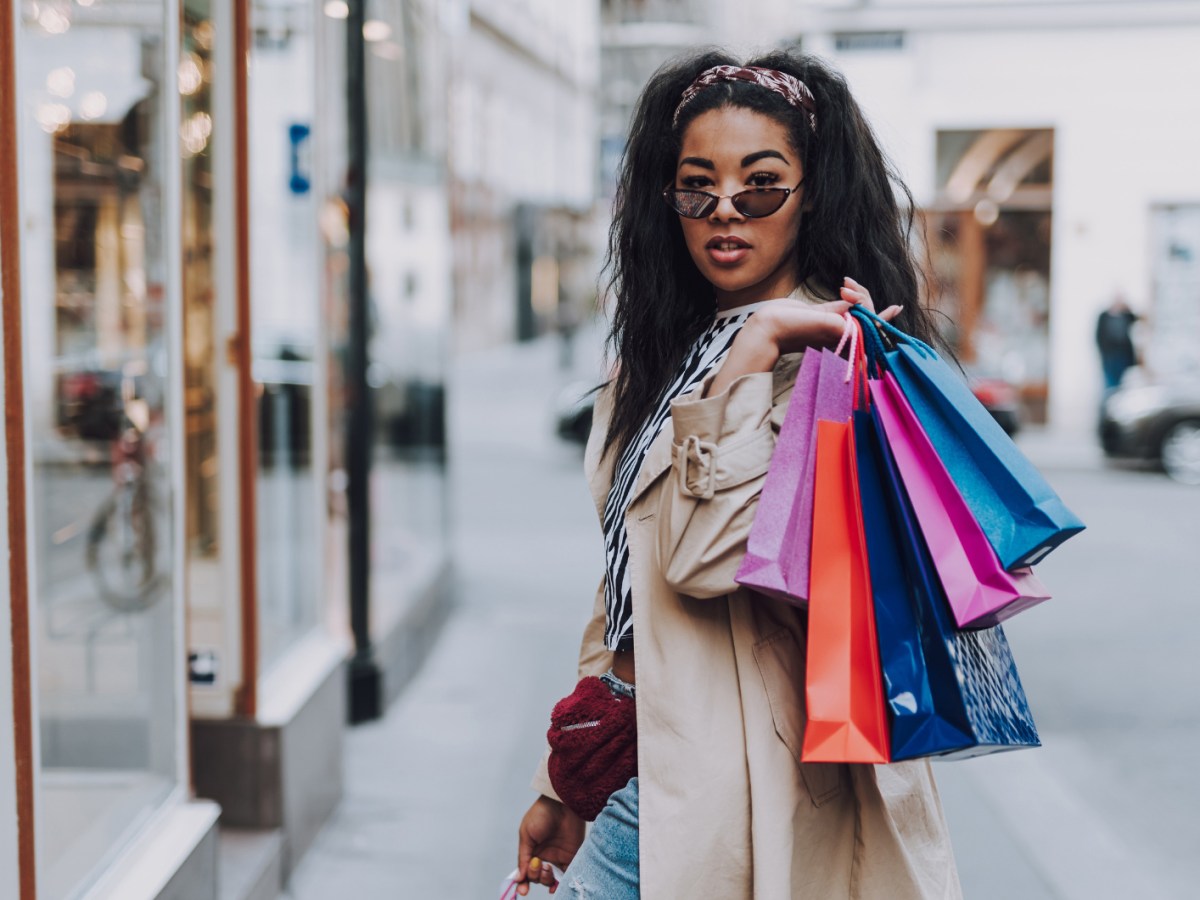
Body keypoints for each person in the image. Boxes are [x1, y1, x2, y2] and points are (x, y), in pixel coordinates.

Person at [513, 49, 962, 899]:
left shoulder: (831, 366)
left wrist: (758, 351)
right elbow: (627, 604)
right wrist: (565, 784)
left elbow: (704, 562)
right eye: (696, 186)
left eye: (760, 185)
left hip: (753, 787)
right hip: (643, 780)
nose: (726, 210)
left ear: (810, 195)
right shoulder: (661, 363)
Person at [1095, 296, 1139, 390]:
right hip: (1109, 357)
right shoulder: (1104, 316)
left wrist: (1127, 308)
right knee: (1110, 384)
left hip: (1124, 356)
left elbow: (1137, 318)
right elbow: (1098, 336)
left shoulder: (1126, 315)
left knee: (1123, 383)